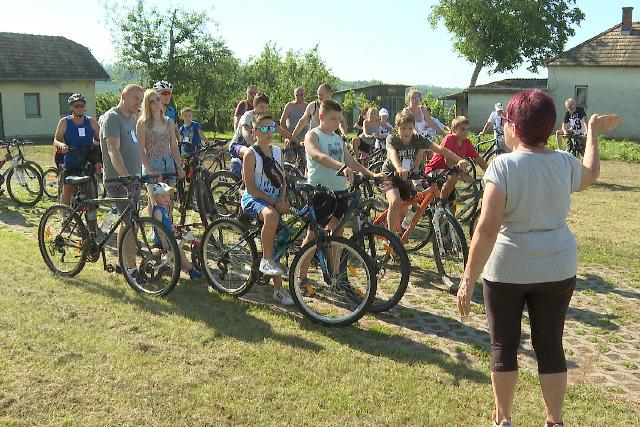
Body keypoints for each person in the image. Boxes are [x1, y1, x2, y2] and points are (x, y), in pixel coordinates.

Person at [456, 89, 623, 427]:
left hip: (507, 270)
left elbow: (486, 229)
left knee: (503, 345)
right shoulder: (563, 162)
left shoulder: (502, 165)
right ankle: (554, 420)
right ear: (548, 127)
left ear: (514, 127)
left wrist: (468, 277)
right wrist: (591, 132)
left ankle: (503, 419)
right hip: (557, 267)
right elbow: (590, 174)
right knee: (550, 346)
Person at [298, 99, 379, 287]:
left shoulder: (337, 139)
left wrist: (372, 174)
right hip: (320, 191)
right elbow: (318, 155)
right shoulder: (313, 135)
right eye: (333, 119)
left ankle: (335, 276)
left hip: (340, 191)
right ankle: (301, 275)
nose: (337, 122)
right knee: (313, 235)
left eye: (339, 119)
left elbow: (351, 161)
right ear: (321, 117)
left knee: (337, 234)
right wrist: (341, 167)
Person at [381, 111, 468, 235]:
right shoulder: (392, 138)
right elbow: (392, 153)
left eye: (410, 128)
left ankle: (397, 229)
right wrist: (399, 168)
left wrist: (459, 159)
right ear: (397, 128)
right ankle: (391, 239)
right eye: (403, 128)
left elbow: (439, 149)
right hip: (390, 175)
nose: (407, 132)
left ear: (414, 128)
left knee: (407, 208)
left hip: (406, 178)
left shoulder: (417, 139)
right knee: (395, 202)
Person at [241, 114, 294, 306]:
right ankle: (267, 263)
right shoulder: (251, 154)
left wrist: (281, 199)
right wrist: (274, 203)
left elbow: (283, 182)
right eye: (263, 129)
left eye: (271, 128)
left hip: (273, 199)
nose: (268, 132)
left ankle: (275, 275)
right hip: (254, 199)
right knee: (271, 217)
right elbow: (250, 187)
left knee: (288, 231)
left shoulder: (277, 152)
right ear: (255, 132)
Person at [100, 84, 145, 282]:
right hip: (118, 180)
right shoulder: (113, 117)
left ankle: (121, 264)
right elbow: (112, 149)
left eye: (141, 99)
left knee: (126, 223)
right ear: (124, 96)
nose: (139, 103)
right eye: (136, 98)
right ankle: (131, 269)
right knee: (130, 224)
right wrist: (125, 175)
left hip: (131, 179)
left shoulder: (130, 119)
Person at [137, 89, 185, 217]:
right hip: (152, 163)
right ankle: (156, 231)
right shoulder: (142, 123)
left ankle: (168, 228)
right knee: (154, 201)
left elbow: (174, 147)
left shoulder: (168, 122)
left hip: (168, 163)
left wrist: (179, 166)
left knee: (168, 200)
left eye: (158, 99)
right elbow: (140, 149)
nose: (156, 103)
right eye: (152, 101)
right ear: (147, 104)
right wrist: (149, 170)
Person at [229, 92, 297, 178]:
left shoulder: (265, 119)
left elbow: (282, 131)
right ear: (254, 105)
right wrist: (255, 147)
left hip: (255, 145)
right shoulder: (247, 116)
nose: (263, 110)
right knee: (249, 153)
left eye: (266, 107)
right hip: (238, 145)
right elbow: (245, 133)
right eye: (261, 107)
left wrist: (297, 141)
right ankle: (245, 182)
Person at [52, 93, 101, 206]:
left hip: (87, 160)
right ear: (71, 108)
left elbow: (100, 138)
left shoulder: (91, 121)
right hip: (71, 160)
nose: (79, 108)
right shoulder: (65, 122)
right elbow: (56, 140)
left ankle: (92, 221)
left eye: (81, 106)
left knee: (92, 189)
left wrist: (97, 148)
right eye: (76, 106)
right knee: (67, 190)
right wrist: (62, 145)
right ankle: (63, 215)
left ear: (84, 107)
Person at [425, 116, 488, 202]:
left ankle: (445, 206)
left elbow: (478, 159)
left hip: (449, 173)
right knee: (453, 177)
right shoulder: (449, 138)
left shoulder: (466, 142)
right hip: (434, 169)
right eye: (462, 129)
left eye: (467, 129)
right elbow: (448, 162)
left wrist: (489, 171)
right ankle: (441, 203)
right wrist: (463, 174)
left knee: (452, 205)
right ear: (454, 130)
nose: (466, 132)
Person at [150, 182, 203, 280]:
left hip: (168, 237)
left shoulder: (164, 209)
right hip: (162, 239)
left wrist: (175, 229)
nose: (166, 198)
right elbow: (159, 228)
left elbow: (167, 224)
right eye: (163, 196)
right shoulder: (157, 210)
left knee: (178, 250)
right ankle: (191, 271)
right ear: (156, 198)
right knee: (179, 251)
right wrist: (163, 241)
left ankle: (183, 267)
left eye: (168, 196)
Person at [280, 87, 308, 162]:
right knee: (290, 163)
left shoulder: (307, 106)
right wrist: (287, 136)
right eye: (297, 95)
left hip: (304, 141)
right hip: (291, 140)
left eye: (301, 95)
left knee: (304, 163)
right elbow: (282, 122)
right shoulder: (290, 106)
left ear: (304, 95)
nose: (299, 96)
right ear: (294, 95)